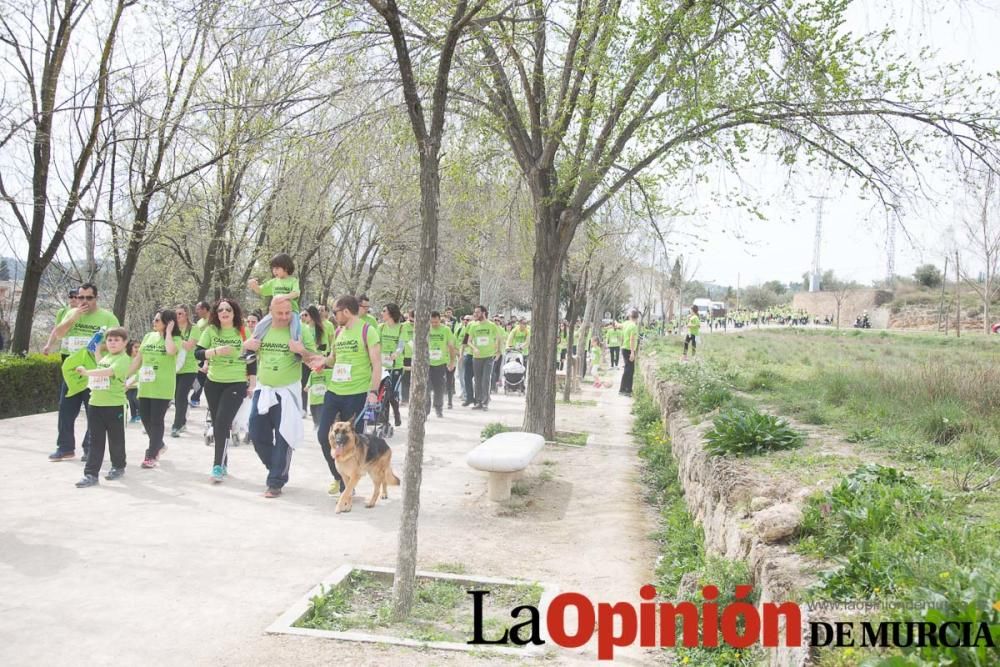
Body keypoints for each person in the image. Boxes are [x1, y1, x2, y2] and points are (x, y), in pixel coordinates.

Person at [243, 298, 314, 498]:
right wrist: (245, 345)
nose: (284, 317)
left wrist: (302, 351)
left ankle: (275, 481)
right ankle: (277, 467)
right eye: (279, 313)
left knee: (284, 437)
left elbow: (316, 362)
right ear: (270, 311)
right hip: (264, 390)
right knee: (256, 434)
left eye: (288, 313)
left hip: (287, 391)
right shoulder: (261, 329)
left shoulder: (301, 331)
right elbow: (246, 355)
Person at [312, 295, 382, 495]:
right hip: (334, 391)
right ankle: (338, 475)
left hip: (357, 393)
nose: (333, 316)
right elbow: (334, 358)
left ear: (346, 311)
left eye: (335, 312)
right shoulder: (338, 332)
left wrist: (373, 391)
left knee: (352, 443)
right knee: (323, 435)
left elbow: (377, 363)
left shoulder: (369, 331)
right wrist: (322, 362)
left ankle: (347, 488)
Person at [47, 283, 120, 462]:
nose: (85, 301)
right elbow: (58, 334)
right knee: (65, 410)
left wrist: (96, 346)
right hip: (73, 371)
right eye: (81, 297)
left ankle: (90, 448)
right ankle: (65, 448)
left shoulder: (108, 318)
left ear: (96, 298)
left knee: (93, 412)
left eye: (89, 298)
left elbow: (118, 342)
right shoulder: (72, 314)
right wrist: (73, 317)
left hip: (94, 371)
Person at [196, 298, 254, 483]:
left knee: (222, 423)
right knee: (218, 423)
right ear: (216, 313)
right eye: (220, 310)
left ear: (234, 312)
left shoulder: (243, 331)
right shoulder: (211, 330)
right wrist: (215, 352)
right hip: (213, 383)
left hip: (236, 382)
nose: (224, 312)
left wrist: (252, 384)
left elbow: (252, 359)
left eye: (228, 309)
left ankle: (217, 466)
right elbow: (197, 353)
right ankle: (223, 461)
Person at [73, 327, 131, 487]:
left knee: (116, 439)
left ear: (125, 342)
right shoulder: (107, 357)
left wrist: (86, 372)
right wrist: (97, 346)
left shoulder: (123, 359)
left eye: (117, 340)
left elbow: (108, 372)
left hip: (114, 406)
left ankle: (118, 466)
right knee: (95, 441)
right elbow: (101, 364)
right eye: (110, 340)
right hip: (95, 404)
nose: (112, 343)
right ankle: (91, 474)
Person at [129, 309, 180, 468]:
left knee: (157, 421)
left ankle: (151, 455)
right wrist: (125, 375)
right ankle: (159, 444)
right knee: (145, 419)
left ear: (168, 322)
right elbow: (138, 359)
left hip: (162, 386)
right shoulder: (148, 336)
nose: (154, 322)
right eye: (154, 319)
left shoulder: (176, 339)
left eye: (158, 320)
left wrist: (169, 332)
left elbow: (171, 351)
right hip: (145, 384)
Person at [244, 253, 301, 362]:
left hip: (291, 311)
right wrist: (253, 285)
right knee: (260, 325)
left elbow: (296, 293)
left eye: (277, 268)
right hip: (275, 313)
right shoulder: (273, 282)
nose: (274, 271)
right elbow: (261, 290)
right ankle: (250, 351)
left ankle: (297, 352)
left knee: (295, 329)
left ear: (286, 268)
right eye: (273, 269)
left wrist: (284, 297)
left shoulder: (293, 281)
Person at [466, 305, 504, 411]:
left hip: (488, 356)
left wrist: (498, 352)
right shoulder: (473, 326)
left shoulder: (491, 325)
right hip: (477, 356)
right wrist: (474, 348)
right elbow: (468, 341)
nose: (475, 314)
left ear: (483, 313)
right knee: (477, 380)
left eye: (477, 312)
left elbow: (498, 338)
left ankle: (485, 402)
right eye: (475, 312)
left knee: (486, 379)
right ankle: (478, 401)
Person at [171, 304, 201, 437]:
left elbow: (189, 346)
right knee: (176, 397)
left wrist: (177, 338)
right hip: (174, 367)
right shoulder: (173, 329)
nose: (178, 316)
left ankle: (176, 425)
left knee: (180, 396)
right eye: (176, 314)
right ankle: (182, 421)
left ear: (187, 314)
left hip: (189, 367)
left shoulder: (194, 328)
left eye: (180, 314)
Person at [378, 303, 405, 427]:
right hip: (382, 365)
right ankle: (384, 421)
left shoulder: (401, 328)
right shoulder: (381, 327)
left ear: (390, 313)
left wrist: (396, 353)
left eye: (384, 310)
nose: (382, 313)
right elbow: (377, 344)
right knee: (383, 393)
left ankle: (396, 413)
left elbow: (401, 344)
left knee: (391, 394)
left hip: (395, 365)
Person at [428, 311, 458, 418]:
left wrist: (452, 361)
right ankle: (426, 409)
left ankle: (438, 408)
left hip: (440, 363)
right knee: (426, 387)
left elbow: (451, 346)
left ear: (440, 320)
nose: (434, 324)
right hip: (428, 363)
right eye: (432, 322)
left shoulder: (446, 330)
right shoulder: (427, 329)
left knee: (438, 387)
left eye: (436, 322)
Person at [299, 306, 328, 411]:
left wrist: (318, 354)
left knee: (317, 385)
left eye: (306, 315)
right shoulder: (303, 328)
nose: (304, 317)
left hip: (317, 361)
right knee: (304, 384)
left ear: (312, 315)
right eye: (303, 315)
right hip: (304, 360)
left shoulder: (320, 328)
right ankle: (303, 408)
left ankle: (316, 408)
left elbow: (324, 345)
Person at [188, 300, 211, 407]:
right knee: (198, 376)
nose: (196, 311)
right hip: (199, 351)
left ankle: (195, 398)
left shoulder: (212, 320)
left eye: (198, 309)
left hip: (209, 352)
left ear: (205, 309)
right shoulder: (200, 322)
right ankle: (195, 397)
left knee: (200, 376)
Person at [619, 309, 640, 397]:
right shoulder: (633, 326)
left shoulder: (626, 323)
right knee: (629, 370)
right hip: (629, 349)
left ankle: (625, 389)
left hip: (625, 348)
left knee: (628, 369)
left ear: (630, 316)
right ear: (637, 317)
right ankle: (626, 390)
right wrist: (632, 352)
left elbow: (619, 326)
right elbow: (632, 339)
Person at [399, 309, 414, 403]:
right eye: (412, 320)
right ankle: (404, 399)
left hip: (417, 356)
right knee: (405, 378)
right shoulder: (403, 326)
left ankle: (413, 398)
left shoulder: (422, 325)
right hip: (406, 356)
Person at [124, 340, 141, 424]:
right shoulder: (126, 358)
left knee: (135, 398)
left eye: (139, 347)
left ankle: (140, 414)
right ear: (130, 347)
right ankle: (133, 416)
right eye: (135, 347)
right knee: (130, 399)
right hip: (127, 385)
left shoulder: (140, 359)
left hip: (137, 383)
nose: (138, 349)